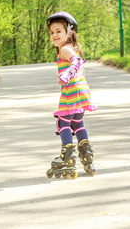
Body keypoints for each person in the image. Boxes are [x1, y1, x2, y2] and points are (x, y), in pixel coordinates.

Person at [45, 11, 97, 179]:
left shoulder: (66, 50)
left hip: (72, 92)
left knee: (63, 123)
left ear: (70, 32)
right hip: (81, 93)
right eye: (52, 32)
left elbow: (76, 61)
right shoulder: (68, 48)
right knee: (77, 122)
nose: (54, 35)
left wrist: (67, 74)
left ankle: (68, 158)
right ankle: (86, 153)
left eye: (59, 31)